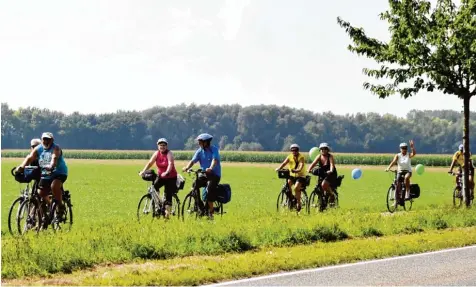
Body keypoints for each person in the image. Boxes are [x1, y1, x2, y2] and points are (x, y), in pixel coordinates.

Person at [15, 132, 69, 218]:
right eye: (44, 139)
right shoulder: (38, 148)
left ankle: (60, 206)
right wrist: (21, 167)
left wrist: (51, 165)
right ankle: (52, 207)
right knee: (41, 193)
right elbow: (30, 157)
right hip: (47, 173)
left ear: (52, 140)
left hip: (59, 172)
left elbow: (54, 158)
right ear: (41, 140)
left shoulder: (56, 148)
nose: (46, 141)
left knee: (54, 186)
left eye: (48, 139)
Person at [182, 133, 221, 220]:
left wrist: (210, 168)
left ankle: (211, 213)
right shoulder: (199, 151)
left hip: (214, 175)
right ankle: (200, 206)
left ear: (206, 142)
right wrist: (187, 167)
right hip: (204, 174)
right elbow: (193, 161)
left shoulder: (214, 149)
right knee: (195, 184)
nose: (199, 144)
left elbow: (214, 160)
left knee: (210, 190)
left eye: (200, 142)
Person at [139, 138, 178, 219]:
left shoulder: (169, 153)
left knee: (168, 196)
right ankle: (158, 206)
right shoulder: (157, 153)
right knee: (154, 187)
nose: (162, 147)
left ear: (166, 146)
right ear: (158, 146)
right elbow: (150, 163)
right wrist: (143, 171)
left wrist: (167, 172)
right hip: (161, 176)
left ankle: (167, 216)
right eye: (160, 145)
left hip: (170, 177)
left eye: (164, 145)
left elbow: (170, 163)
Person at [276, 144, 307, 212]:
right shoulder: (290, 156)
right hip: (292, 176)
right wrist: (279, 168)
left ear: (298, 150)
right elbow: (284, 163)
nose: (294, 152)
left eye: (295, 150)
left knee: (296, 188)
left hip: (300, 176)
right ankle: (292, 199)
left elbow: (301, 165)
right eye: (292, 150)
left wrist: (297, 170)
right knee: (288, 185)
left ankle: (298, 203)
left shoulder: (301, 157)